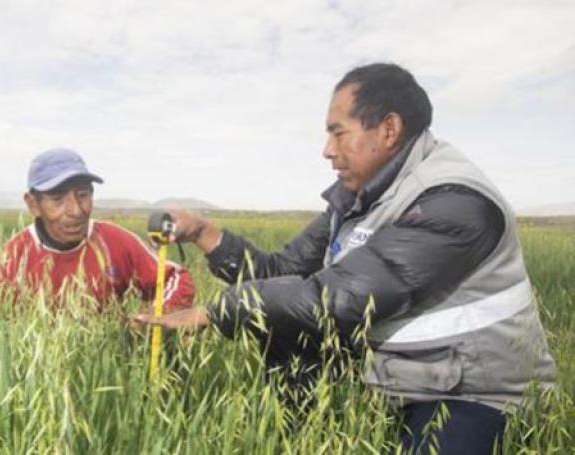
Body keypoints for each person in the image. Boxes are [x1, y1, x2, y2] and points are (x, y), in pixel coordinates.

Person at [135, 63, 556, 454]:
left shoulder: (454, 201)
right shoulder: (361, 197)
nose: (326, 150)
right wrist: (204, 233)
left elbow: (338, 300)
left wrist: (214, 312)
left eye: (338, 133)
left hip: (469, 390)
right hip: (396, 375)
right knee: (282, 338)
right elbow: (281, 273)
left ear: (389, 128)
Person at [0, 147, 194, 316]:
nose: (76, 210)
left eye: (83, 195)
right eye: (58, 199)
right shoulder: (11, 261)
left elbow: (176, 278)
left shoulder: (116, 242)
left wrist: (152, 319)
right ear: (33, 204)